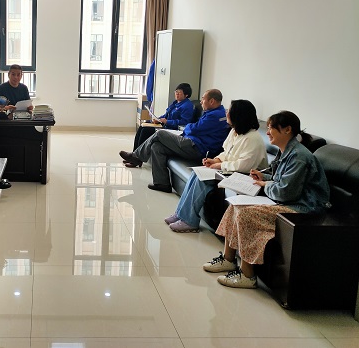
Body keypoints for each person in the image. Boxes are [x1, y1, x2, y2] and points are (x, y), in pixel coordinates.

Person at [203, 110, 330, 289]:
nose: (267, 132)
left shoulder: (299, 156)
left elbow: (286, 192)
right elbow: (280, 179)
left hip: (304, 209)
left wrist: (264, 184)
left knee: (246, 214)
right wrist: (263, 177)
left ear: (287, 130)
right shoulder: (286, 151)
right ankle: (228, 260)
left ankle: (247, 275)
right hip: (289, 202)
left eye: (271, 128)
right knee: (235, 206)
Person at [166, 99, 268, 232]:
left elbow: (244, 165)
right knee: (196, 173)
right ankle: (180, 213)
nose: (226, 113)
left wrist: (220, 165)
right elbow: (227, 152)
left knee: (203, 181)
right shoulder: (235, 131)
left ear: (238, 115)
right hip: (230, 172)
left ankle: (189, 221)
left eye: (229, 111)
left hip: (245, 177)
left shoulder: (253, 138)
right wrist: (215, 160)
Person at [119, 89, 230, 192]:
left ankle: (136, 157)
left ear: (211, 101)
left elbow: (194, 129)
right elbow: (195, 129)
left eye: (203, 99)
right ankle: (162, 183)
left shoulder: (215, 116)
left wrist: (188, 127)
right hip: (193, 144)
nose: (201, 102)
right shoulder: (214, 113)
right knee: (157, 146)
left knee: (160, 134)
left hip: (197, 148)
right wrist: (190, 128)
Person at [132, 82, 195, 150]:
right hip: (164, 125)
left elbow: (184, 122)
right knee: (143, 126)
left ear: (186, 95)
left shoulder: (187, 106)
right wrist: (158, 119)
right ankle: (134, 152)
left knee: (145, 131)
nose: (177, 94)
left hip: (172, 129)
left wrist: (167, 121)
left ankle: (138, 154)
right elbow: (166, 115)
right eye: (176, 91)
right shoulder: (175, 103)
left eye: (179, 92)